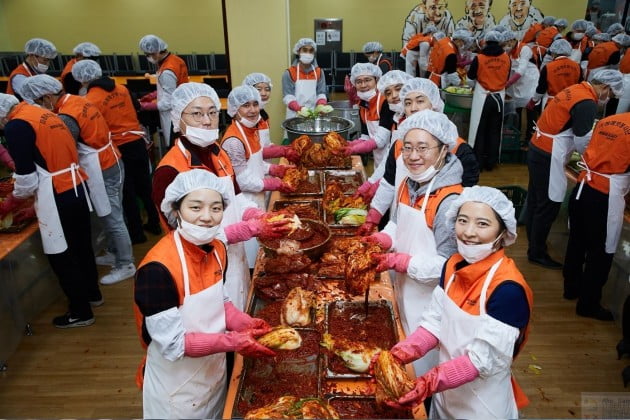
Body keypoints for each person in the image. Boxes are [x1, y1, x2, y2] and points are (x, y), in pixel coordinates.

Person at [134, 169, 275, 419]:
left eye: (216, 208)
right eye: (196, 207)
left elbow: (220, 301)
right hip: (176, 390)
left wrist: (244, 322)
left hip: (212, 373)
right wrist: (232, 342)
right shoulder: (157, 270)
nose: (207, 217)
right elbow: (174, 344)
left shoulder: (217, 248)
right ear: (176, 209)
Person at [381, 186, 533, 418]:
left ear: (503, 232)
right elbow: (434, 324)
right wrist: (399, 353)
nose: (469, 232)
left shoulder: (507, 290)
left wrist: (427, 383)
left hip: (482, 406)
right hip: (446, 398)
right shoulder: (452, 266)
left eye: (482, 224)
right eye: (463, 220)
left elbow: (479, 361)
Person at [151, 82, 290, 311]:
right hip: (202, 269)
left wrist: (257, 214)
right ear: (178, 118)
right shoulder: (170, 170)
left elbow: (235, 196)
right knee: (215, 328)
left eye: (212, 112)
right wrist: (244, 230)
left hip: (234, 257)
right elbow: (184, 237)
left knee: (240, 308)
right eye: (196, 114)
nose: (206, 121)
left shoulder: (217, 153)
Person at [367, 110, 463, 377]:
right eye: (407, 148)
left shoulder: (449, 201)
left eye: (423, 148)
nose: (413, 156)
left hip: (429, 305)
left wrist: (403, 262)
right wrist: (382, 239)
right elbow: (397, 224)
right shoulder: (409, 183)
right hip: (403, 289)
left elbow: (449, 265)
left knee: (420, 371)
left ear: (444, 149)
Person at [20, 75, 136, 286]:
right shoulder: (78, 99)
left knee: (112, 218)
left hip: (103, 166)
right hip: (112, 160)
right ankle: (114, 251)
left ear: (46, 97)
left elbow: (66, 146)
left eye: (37, 103)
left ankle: (126, 263)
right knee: (114, 213)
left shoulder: (66, 116)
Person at [0, 93, 101, 328]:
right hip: (76, 185)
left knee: (61, 254)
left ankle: (80, 311)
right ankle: (93, 295)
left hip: (57, 192)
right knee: (82, 246)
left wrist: (10, 203)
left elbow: (27, 179)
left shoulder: (16, 126)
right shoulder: (40, 112)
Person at [525, 69, 624, 269]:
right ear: (604, 87)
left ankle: (533, 241)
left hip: (537, 147)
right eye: (611, 94)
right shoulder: (587, 102)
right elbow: (582, 140)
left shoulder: (576, 89)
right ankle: (536, 252)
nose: (609, 98)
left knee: (536, 198)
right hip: (549, 153)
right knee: (548, 203)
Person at [360, 78, 479, 235]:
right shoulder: (399, 145)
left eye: (420, 101)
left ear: (434, 104)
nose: (413, 108)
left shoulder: (459, 149)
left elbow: (465, 203)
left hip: (440, 233)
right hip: (401, 223)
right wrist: (373, 216)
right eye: (408, 103)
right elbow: (389, 183)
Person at [72, 59, 161, 244]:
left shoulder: (89, 100)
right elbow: (136, 109)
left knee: (127, 192)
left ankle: (137, 233)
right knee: (146, 186)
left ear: (81, 80)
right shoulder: (122, 88)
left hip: (118, 147)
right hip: (137, 142)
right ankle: (155, 223)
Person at [563, 113, 630, 321]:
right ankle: (588, 304)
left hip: (583, 186)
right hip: (605, 195)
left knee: (577, 241)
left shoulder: (609, 120)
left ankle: (571, 288)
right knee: (600, 252)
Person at [221, 85, 295, 267]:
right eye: (246, 105)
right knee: (252, 254)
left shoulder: (251, 131)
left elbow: (256, 162)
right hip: (244, 202)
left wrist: (275, 170)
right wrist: (275, 184)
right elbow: (243, 180)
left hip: (257, 197)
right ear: (235, 109)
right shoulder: (233, 141)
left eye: (255, 104)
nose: (253, 110)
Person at [467, 30, 512, 171]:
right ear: (500, 42)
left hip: (483, 97)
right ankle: (491, 163)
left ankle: (478, 162)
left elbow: (470, 79)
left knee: (479, 131)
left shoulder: (479, 58)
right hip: (498, 98)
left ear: (485, 41)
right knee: (494, 131)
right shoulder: (506, 58)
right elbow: (507, 76)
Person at [139, 34, 190, 148]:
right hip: (182, 105)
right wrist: (152, 95)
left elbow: (167, 103)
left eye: (149, 55)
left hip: (173, 113)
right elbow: (171, 88)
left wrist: (145, 106)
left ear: (157, 51)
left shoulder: (167, 71)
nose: (148, 58)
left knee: (174, 144)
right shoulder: (175, 60)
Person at [241, 73, 301, 163]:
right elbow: (253, 151)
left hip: (264, 165)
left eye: (267, 89)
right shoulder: (248, 118)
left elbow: (265, 143)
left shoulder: (263, 114)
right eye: (259, 89)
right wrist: (283, 151)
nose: (264, 93)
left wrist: (280, 148)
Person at [343, 63, 388, 167]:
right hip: (379, 159)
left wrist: (353, 149)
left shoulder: (385, 102)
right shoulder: (362, 105)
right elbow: (366, 136)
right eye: (359, 81)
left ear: (376, 80)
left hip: (393, 158)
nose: (363, 85)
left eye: (367, 80)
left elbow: (380, 140)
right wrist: (349, 144)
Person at [503, 30, 539, 143]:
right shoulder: (508, 52)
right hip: (518, 83)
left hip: (530, 81)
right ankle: (516, 136)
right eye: (504, 44)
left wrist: (508, 83)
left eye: (508, 43)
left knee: (530, 110)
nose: (506, 46)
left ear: (514, 40)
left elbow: (521, 69)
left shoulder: (525, 49)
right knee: (517, 110)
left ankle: (529, 138)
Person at [529, 39, 582, 110]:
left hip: (552, 102)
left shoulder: (548, 67)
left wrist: (533, 101)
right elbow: (580, 86)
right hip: (570, 103)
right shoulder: (577, 67)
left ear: (553, 52)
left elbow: (541, 89)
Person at [281, 38, 327, 120]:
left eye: (311, 51)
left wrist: (321, 105)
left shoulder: (319, 72)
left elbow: (321, 93)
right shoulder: (289, 72)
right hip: (294, 115)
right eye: (305, 50)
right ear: (298, 51)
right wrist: (299, 108)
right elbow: (288, 96)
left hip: (314, 114)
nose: (308, 53)